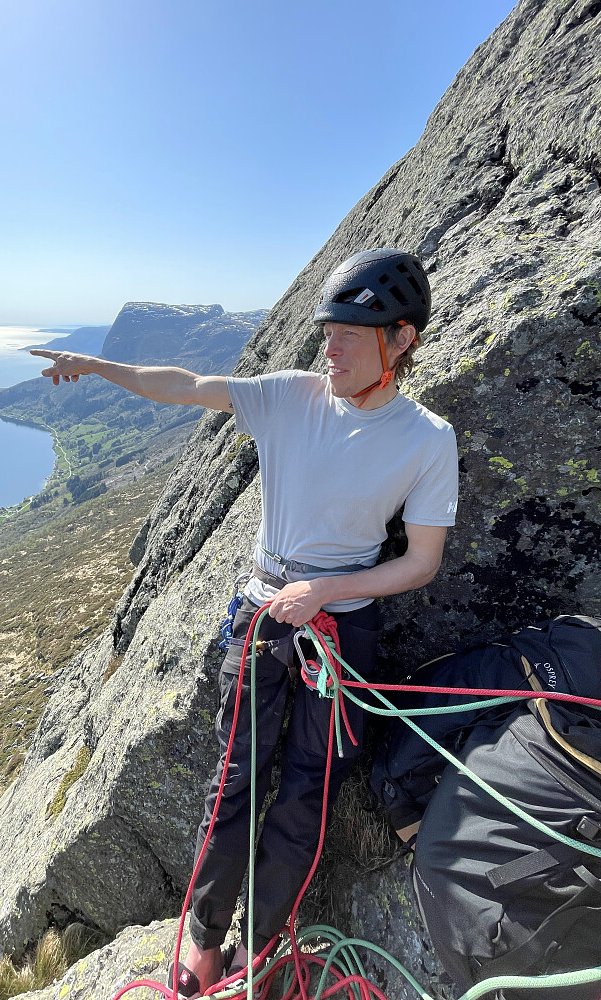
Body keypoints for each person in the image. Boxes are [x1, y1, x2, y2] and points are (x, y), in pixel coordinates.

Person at [31, 248, 459, 998]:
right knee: (235, 780)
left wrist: (326, 589)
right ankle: (202, 944)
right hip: (264, 614)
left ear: (401, 340)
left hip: (339, 630)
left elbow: (421, 561)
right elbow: (186, 385)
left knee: (306, 796)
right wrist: (97, 366)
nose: (330, 348)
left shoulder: (427, 439)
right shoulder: (292, 396)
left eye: (349, 334)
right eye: (328, 331)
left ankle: (256, 953)